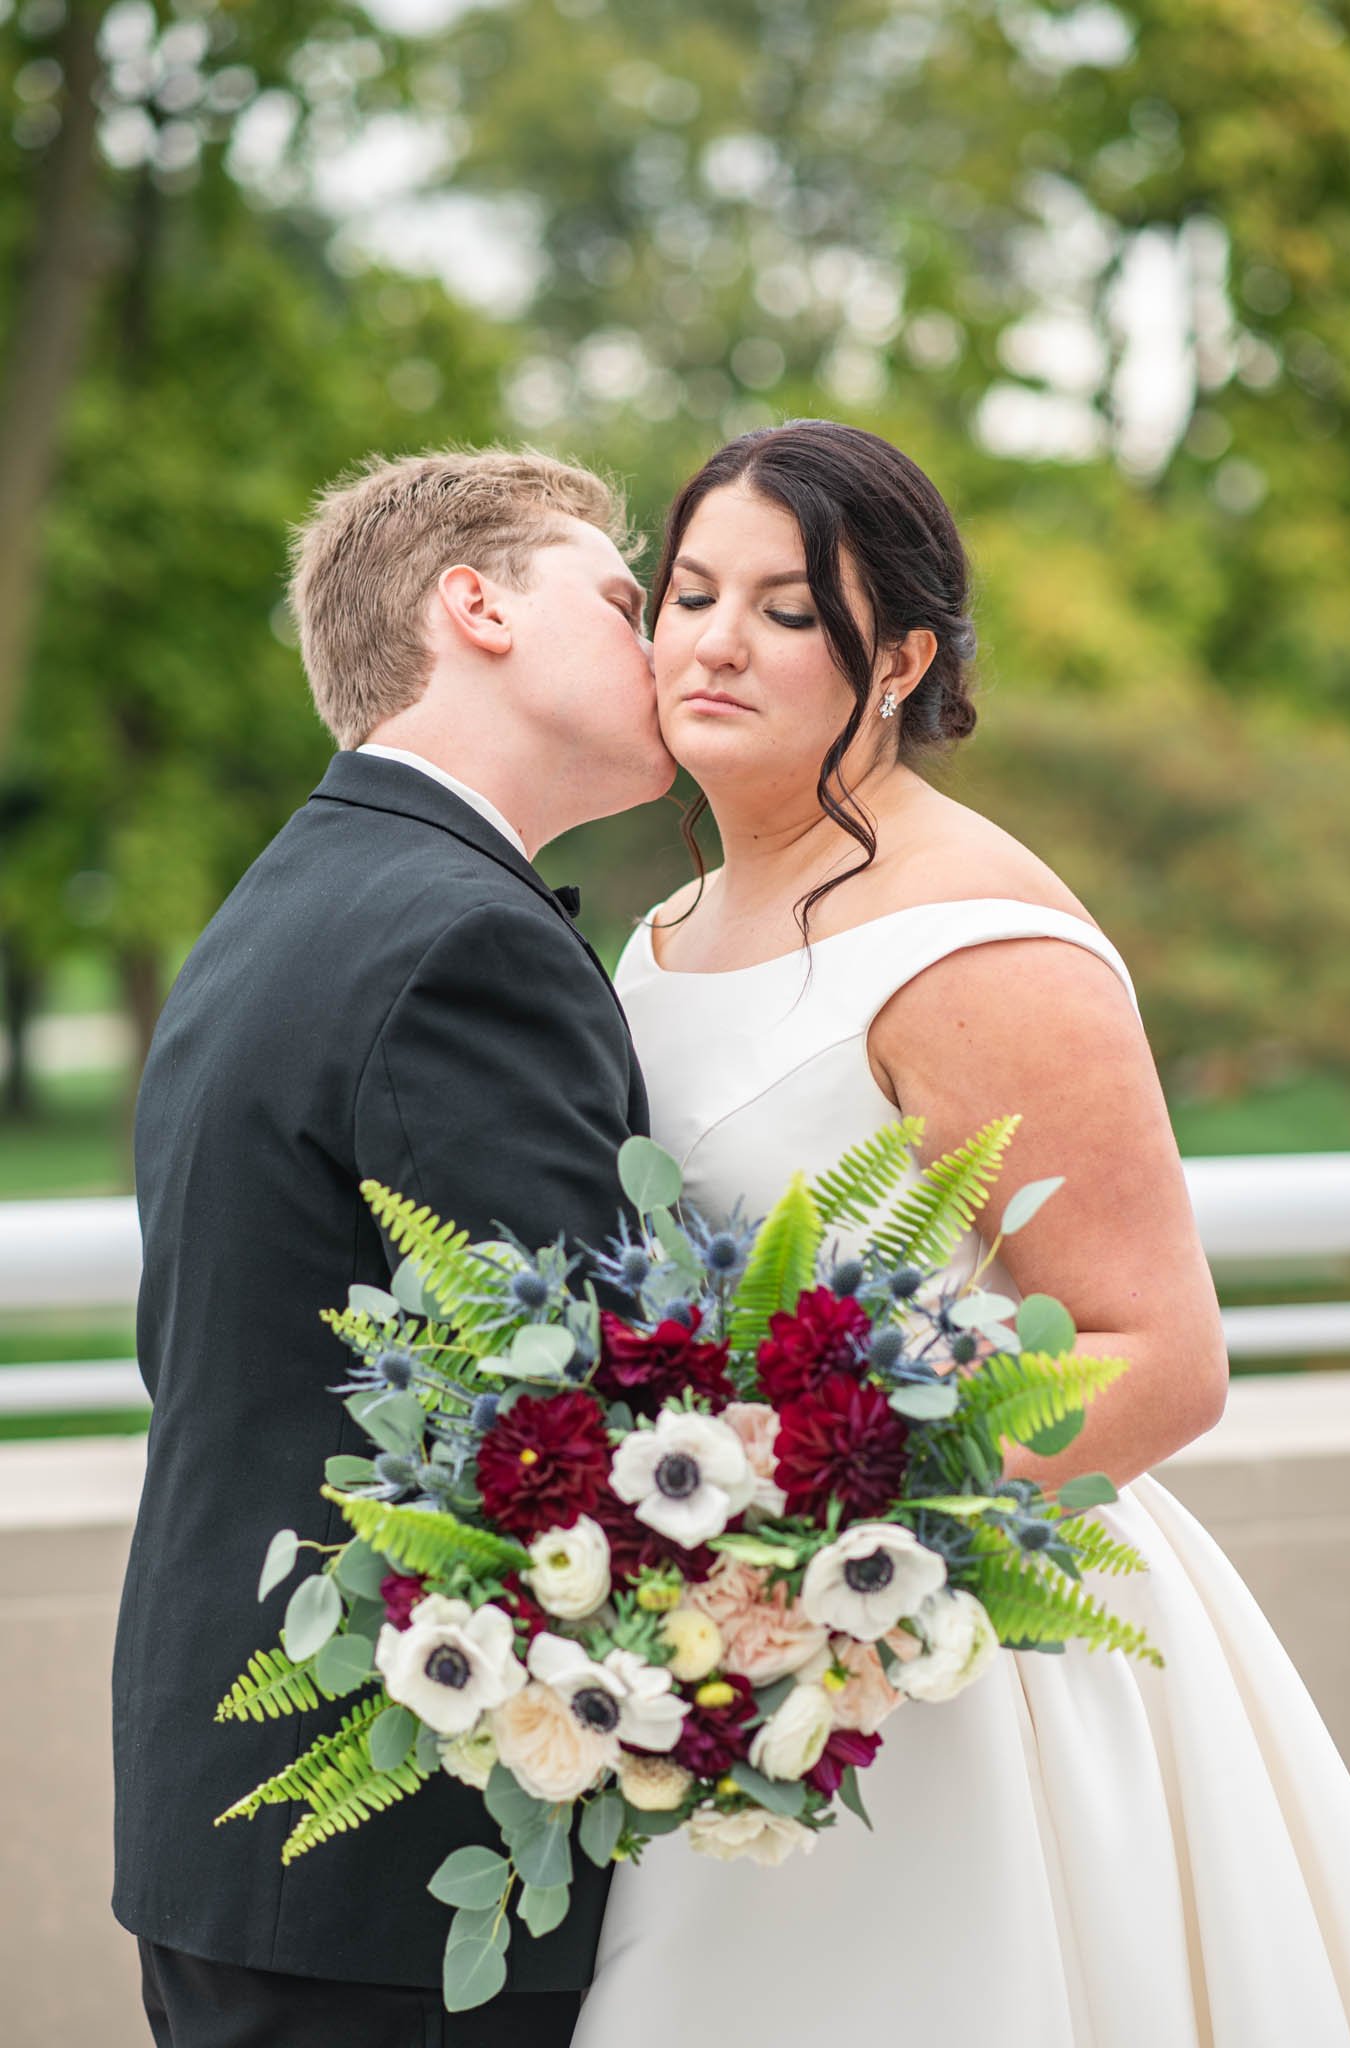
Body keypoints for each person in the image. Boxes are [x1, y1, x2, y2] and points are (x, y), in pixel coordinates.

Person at [574, 420, 1350, 2047]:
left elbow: (1166, 1358)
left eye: (789, 611)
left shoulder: (980, 944)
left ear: (900, 658)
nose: (714, 640)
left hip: (951, 1656)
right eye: (691, 591)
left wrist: (821, 1567)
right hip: (720, 1659)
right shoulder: (660, 928)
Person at [111, 447, 673, 2048]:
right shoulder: (463, 938)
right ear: (474, 605)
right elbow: (581, 1417)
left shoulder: (303, 891)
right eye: (628, 599)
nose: (673, 646)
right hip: (396, 1856)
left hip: (253, 1821)